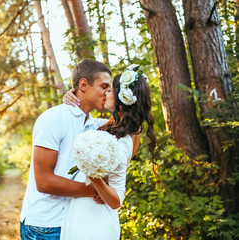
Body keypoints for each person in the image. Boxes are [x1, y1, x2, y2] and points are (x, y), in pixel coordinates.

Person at [60, 64, 156, 240]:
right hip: (80, 214)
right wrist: (70, 97)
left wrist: (93, 174)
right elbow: (83, 119)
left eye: (110, 89)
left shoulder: (124, 141)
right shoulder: (107, 127)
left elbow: (116, 200)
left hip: (95, 222)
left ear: (122, 98)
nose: (105, 92)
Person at [19, 59, 112, 240]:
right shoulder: (54, 119)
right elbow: (44, 182)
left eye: (110, 89)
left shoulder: (95, 126)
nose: (108, 93)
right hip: (44, 227)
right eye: (104, 87)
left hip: (75, 223)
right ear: (83, 85)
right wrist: (95, 190)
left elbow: (131, 123)